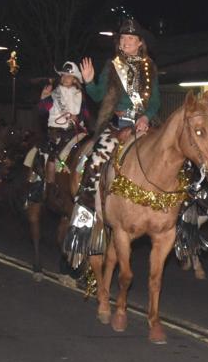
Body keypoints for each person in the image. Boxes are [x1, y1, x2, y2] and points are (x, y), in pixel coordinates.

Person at [64, 18, 161, 268]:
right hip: (117, 126)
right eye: (122, 39)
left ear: (140, 43)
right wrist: (89, 81)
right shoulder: (112, 66)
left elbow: (155, 102)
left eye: (131, 39)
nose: (126, 42)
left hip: (142, 125)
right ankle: (84, 220)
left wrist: (146, 117)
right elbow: (98, 95)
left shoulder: (149, 68)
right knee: (95, 163)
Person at [28, 62, 90, 189]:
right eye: (63, 75)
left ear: (75, 79)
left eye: (69, 75)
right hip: (55, 132)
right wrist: (44, 98)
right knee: (48, 154)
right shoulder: (54, 94)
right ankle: (44, 186)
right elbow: (41, 111)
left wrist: (77, 118)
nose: (65, 78)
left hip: (75, 132)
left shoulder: (80, 95)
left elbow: (85, 115)